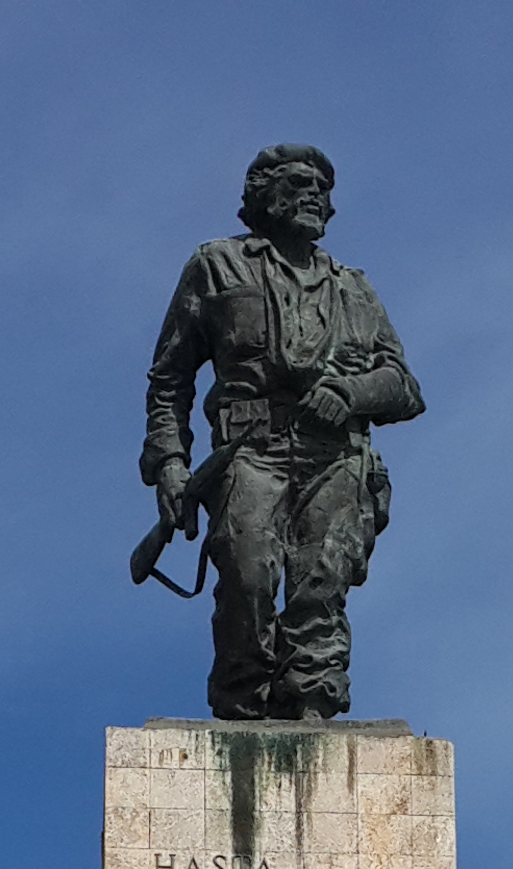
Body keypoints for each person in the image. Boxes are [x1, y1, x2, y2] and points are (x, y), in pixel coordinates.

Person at [140, 144, 425, 721]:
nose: (316, 195)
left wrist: (349, 393)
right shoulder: (217, 265)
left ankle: (312, 707)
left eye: (324, 187)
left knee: (320, 588)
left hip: (335, 459)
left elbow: (404, 385)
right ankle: (243, 705)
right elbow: (170, 377)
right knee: (247, 576)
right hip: (250, 454)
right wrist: (171, 463)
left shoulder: (354, 289)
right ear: (262, 194)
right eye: (300, 183)